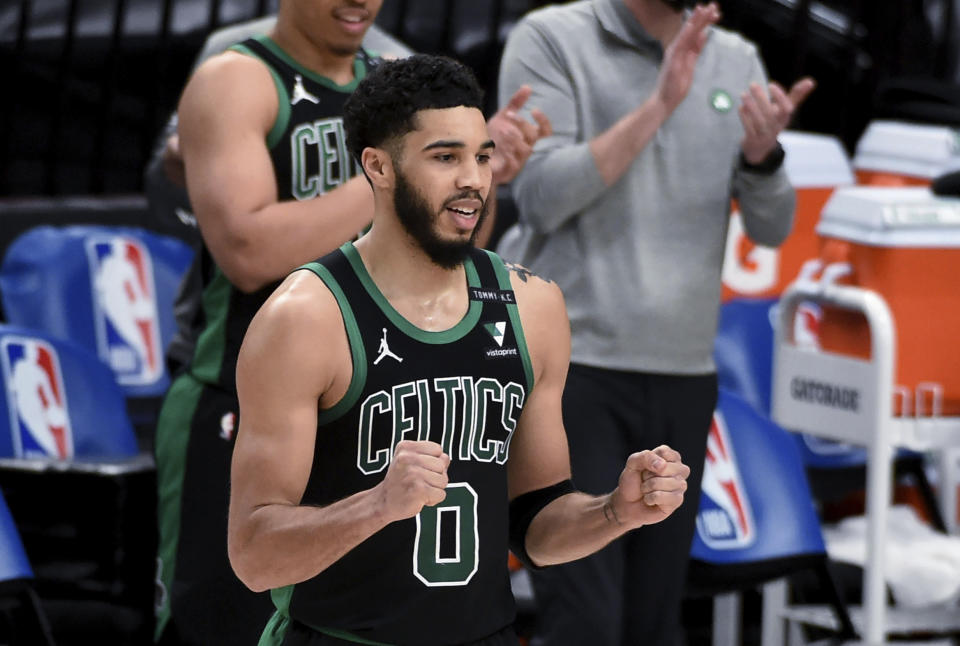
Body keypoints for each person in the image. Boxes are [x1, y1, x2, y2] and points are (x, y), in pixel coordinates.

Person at [227, 53, 691, 646]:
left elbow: (534, 527)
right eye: (445, 157)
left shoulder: (535, 307)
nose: (473, 178)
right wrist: (377, 506)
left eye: (482, 156)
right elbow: (253, 556)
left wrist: (615, 512)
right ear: (378, 167)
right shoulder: (305, 319)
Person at [152, 2, 552, 644]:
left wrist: (478, 173)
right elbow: (248, 251)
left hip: (368, 395)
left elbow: (448, 249)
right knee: (220, 620)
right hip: (235, 390)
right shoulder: (238, 78)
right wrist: (405, 175)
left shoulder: (399, 79)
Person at [495, 1, 815, 645]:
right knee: (583, 617)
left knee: (652, 621)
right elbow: (539, 197)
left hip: (683, 372)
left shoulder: (737, 58)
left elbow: (772, 228)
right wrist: (659, 104)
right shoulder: (553, 38)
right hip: (572, 371)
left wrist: (761, 159)